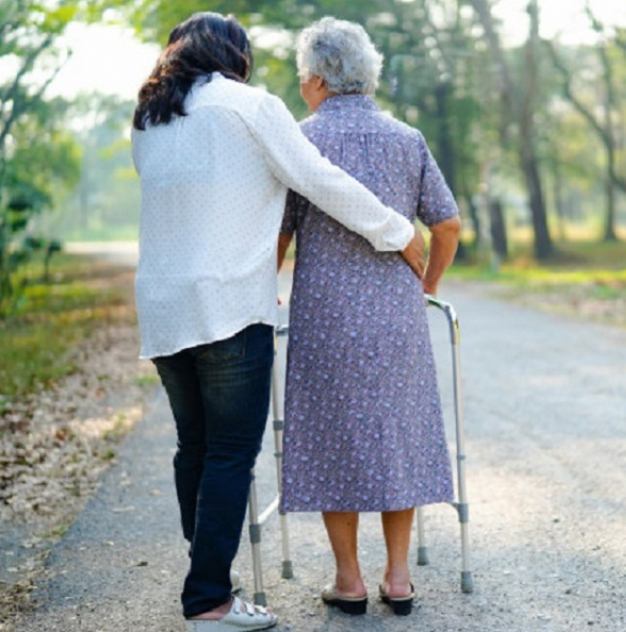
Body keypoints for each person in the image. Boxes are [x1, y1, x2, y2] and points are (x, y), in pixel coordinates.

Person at [131, 12, 427, 632]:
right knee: (232, 453)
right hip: (230, 305)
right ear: (233, 56)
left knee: (196, 447)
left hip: (163, 304)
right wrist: (398, 231)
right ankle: (209, 598)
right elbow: (319, 180)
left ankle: (208, 576)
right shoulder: (249, 105)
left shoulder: (150, 116)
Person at [277, 17, 462, 617]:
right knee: (397, 437)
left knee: (337, 439)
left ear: (319, 80)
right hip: (396, 316)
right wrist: (427, 285)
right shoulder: (407, 139)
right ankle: (400, 577)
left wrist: (265, 289)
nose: (302, 83)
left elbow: (277, 233)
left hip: (325, 316)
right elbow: (448, 224)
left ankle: (349, 580)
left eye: (304, 74)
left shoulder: (299, 141)